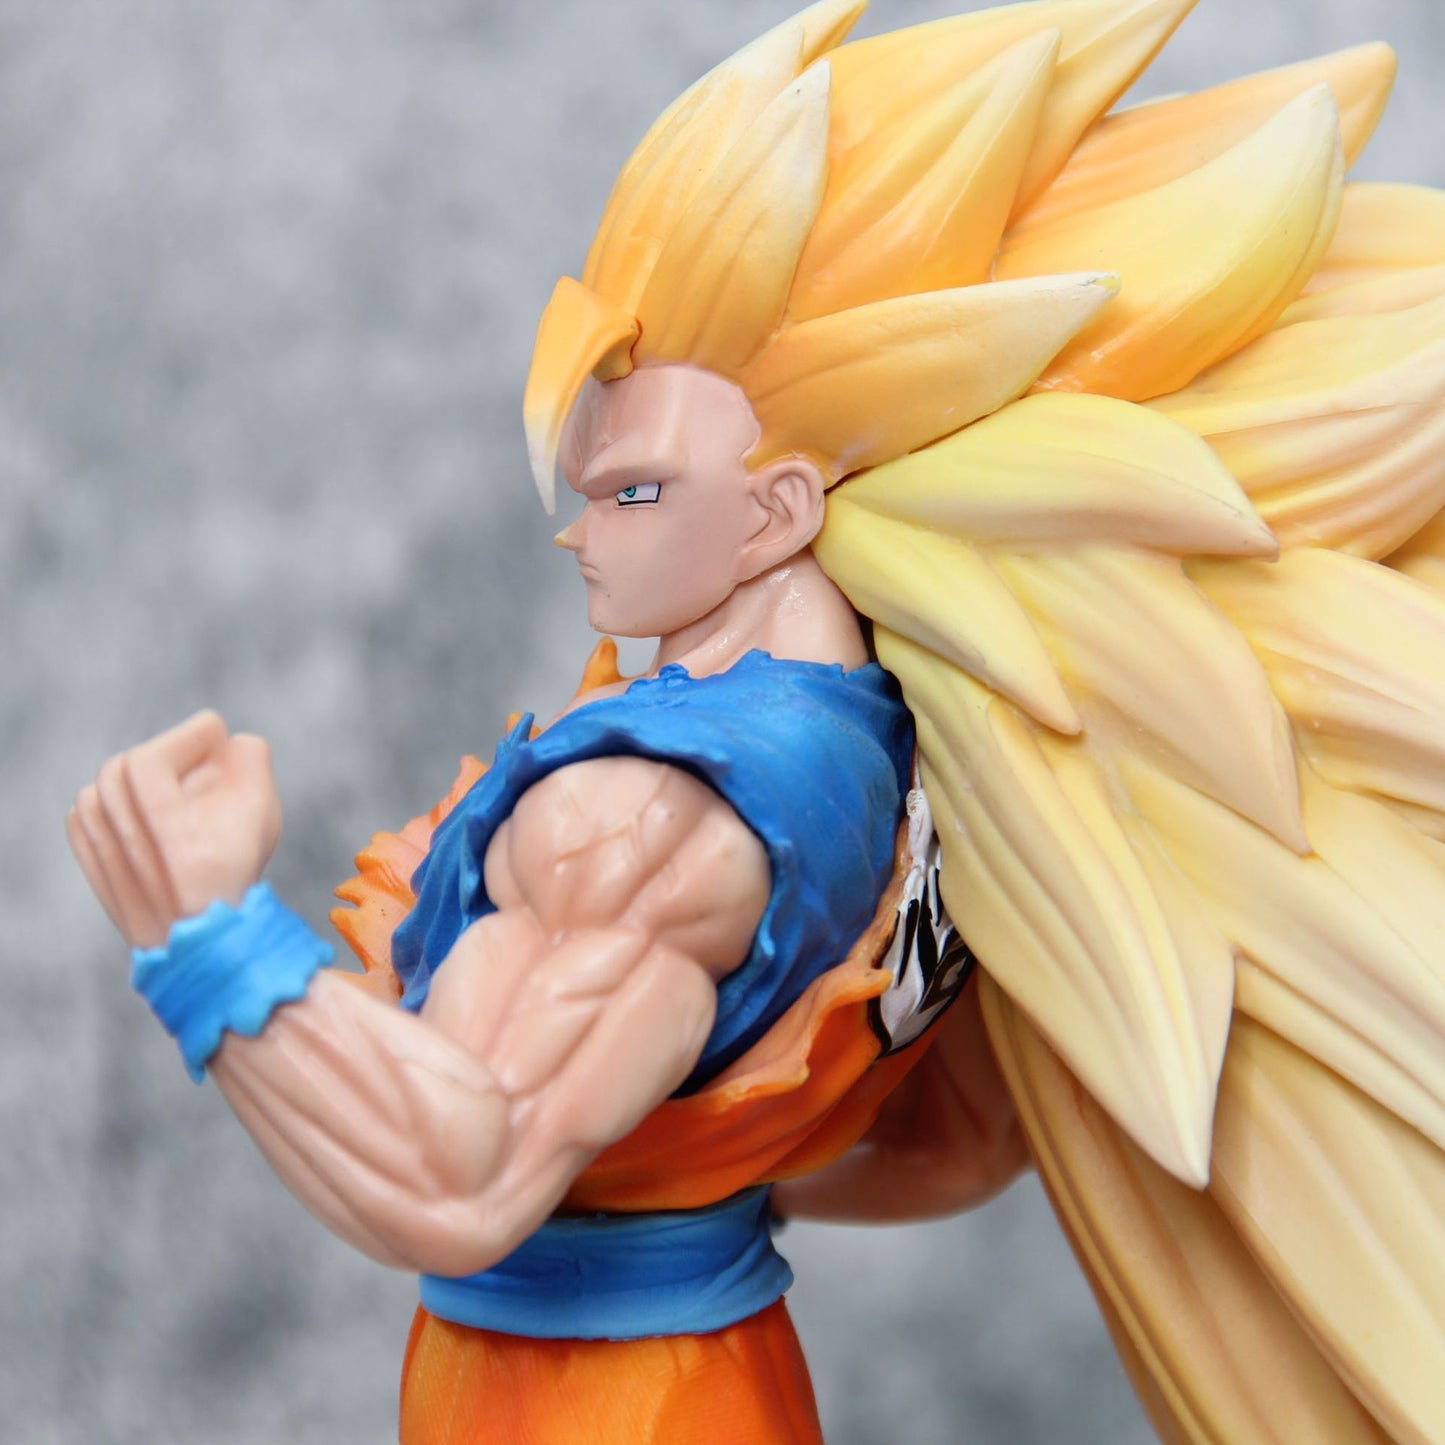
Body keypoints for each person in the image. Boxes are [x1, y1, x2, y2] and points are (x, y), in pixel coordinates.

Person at [70, 1, 1445, 1441]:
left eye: (635, 491)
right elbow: (955, 1142)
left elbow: (459, 1179)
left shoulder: (652, 811)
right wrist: (687, 1171)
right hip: (703, 1371)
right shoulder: (917, 759)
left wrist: (205, 929)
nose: (583, 530)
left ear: (781, 509)